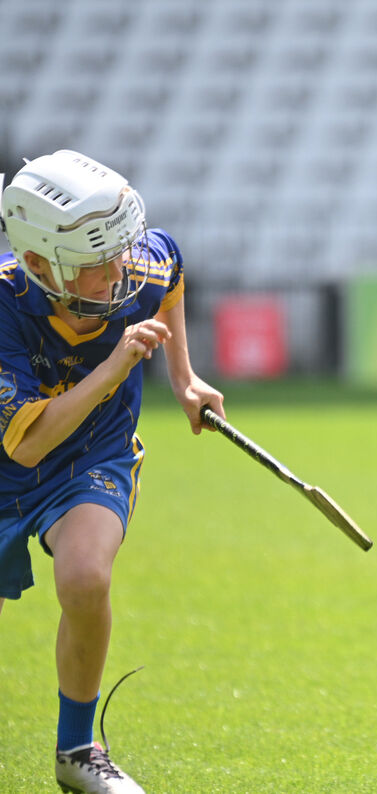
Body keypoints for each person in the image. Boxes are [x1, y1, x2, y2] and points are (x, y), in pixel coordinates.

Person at [0, 150, 224, 794]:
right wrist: (115, 368)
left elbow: (169, 267)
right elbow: (28, 444)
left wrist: (184, 379)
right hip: (15, 460)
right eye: (97, 267)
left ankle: (77, 751)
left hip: (94, 455)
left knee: (85, 573)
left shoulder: (136, 260)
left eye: (121, 253)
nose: (119, 273)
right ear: (40, 263)